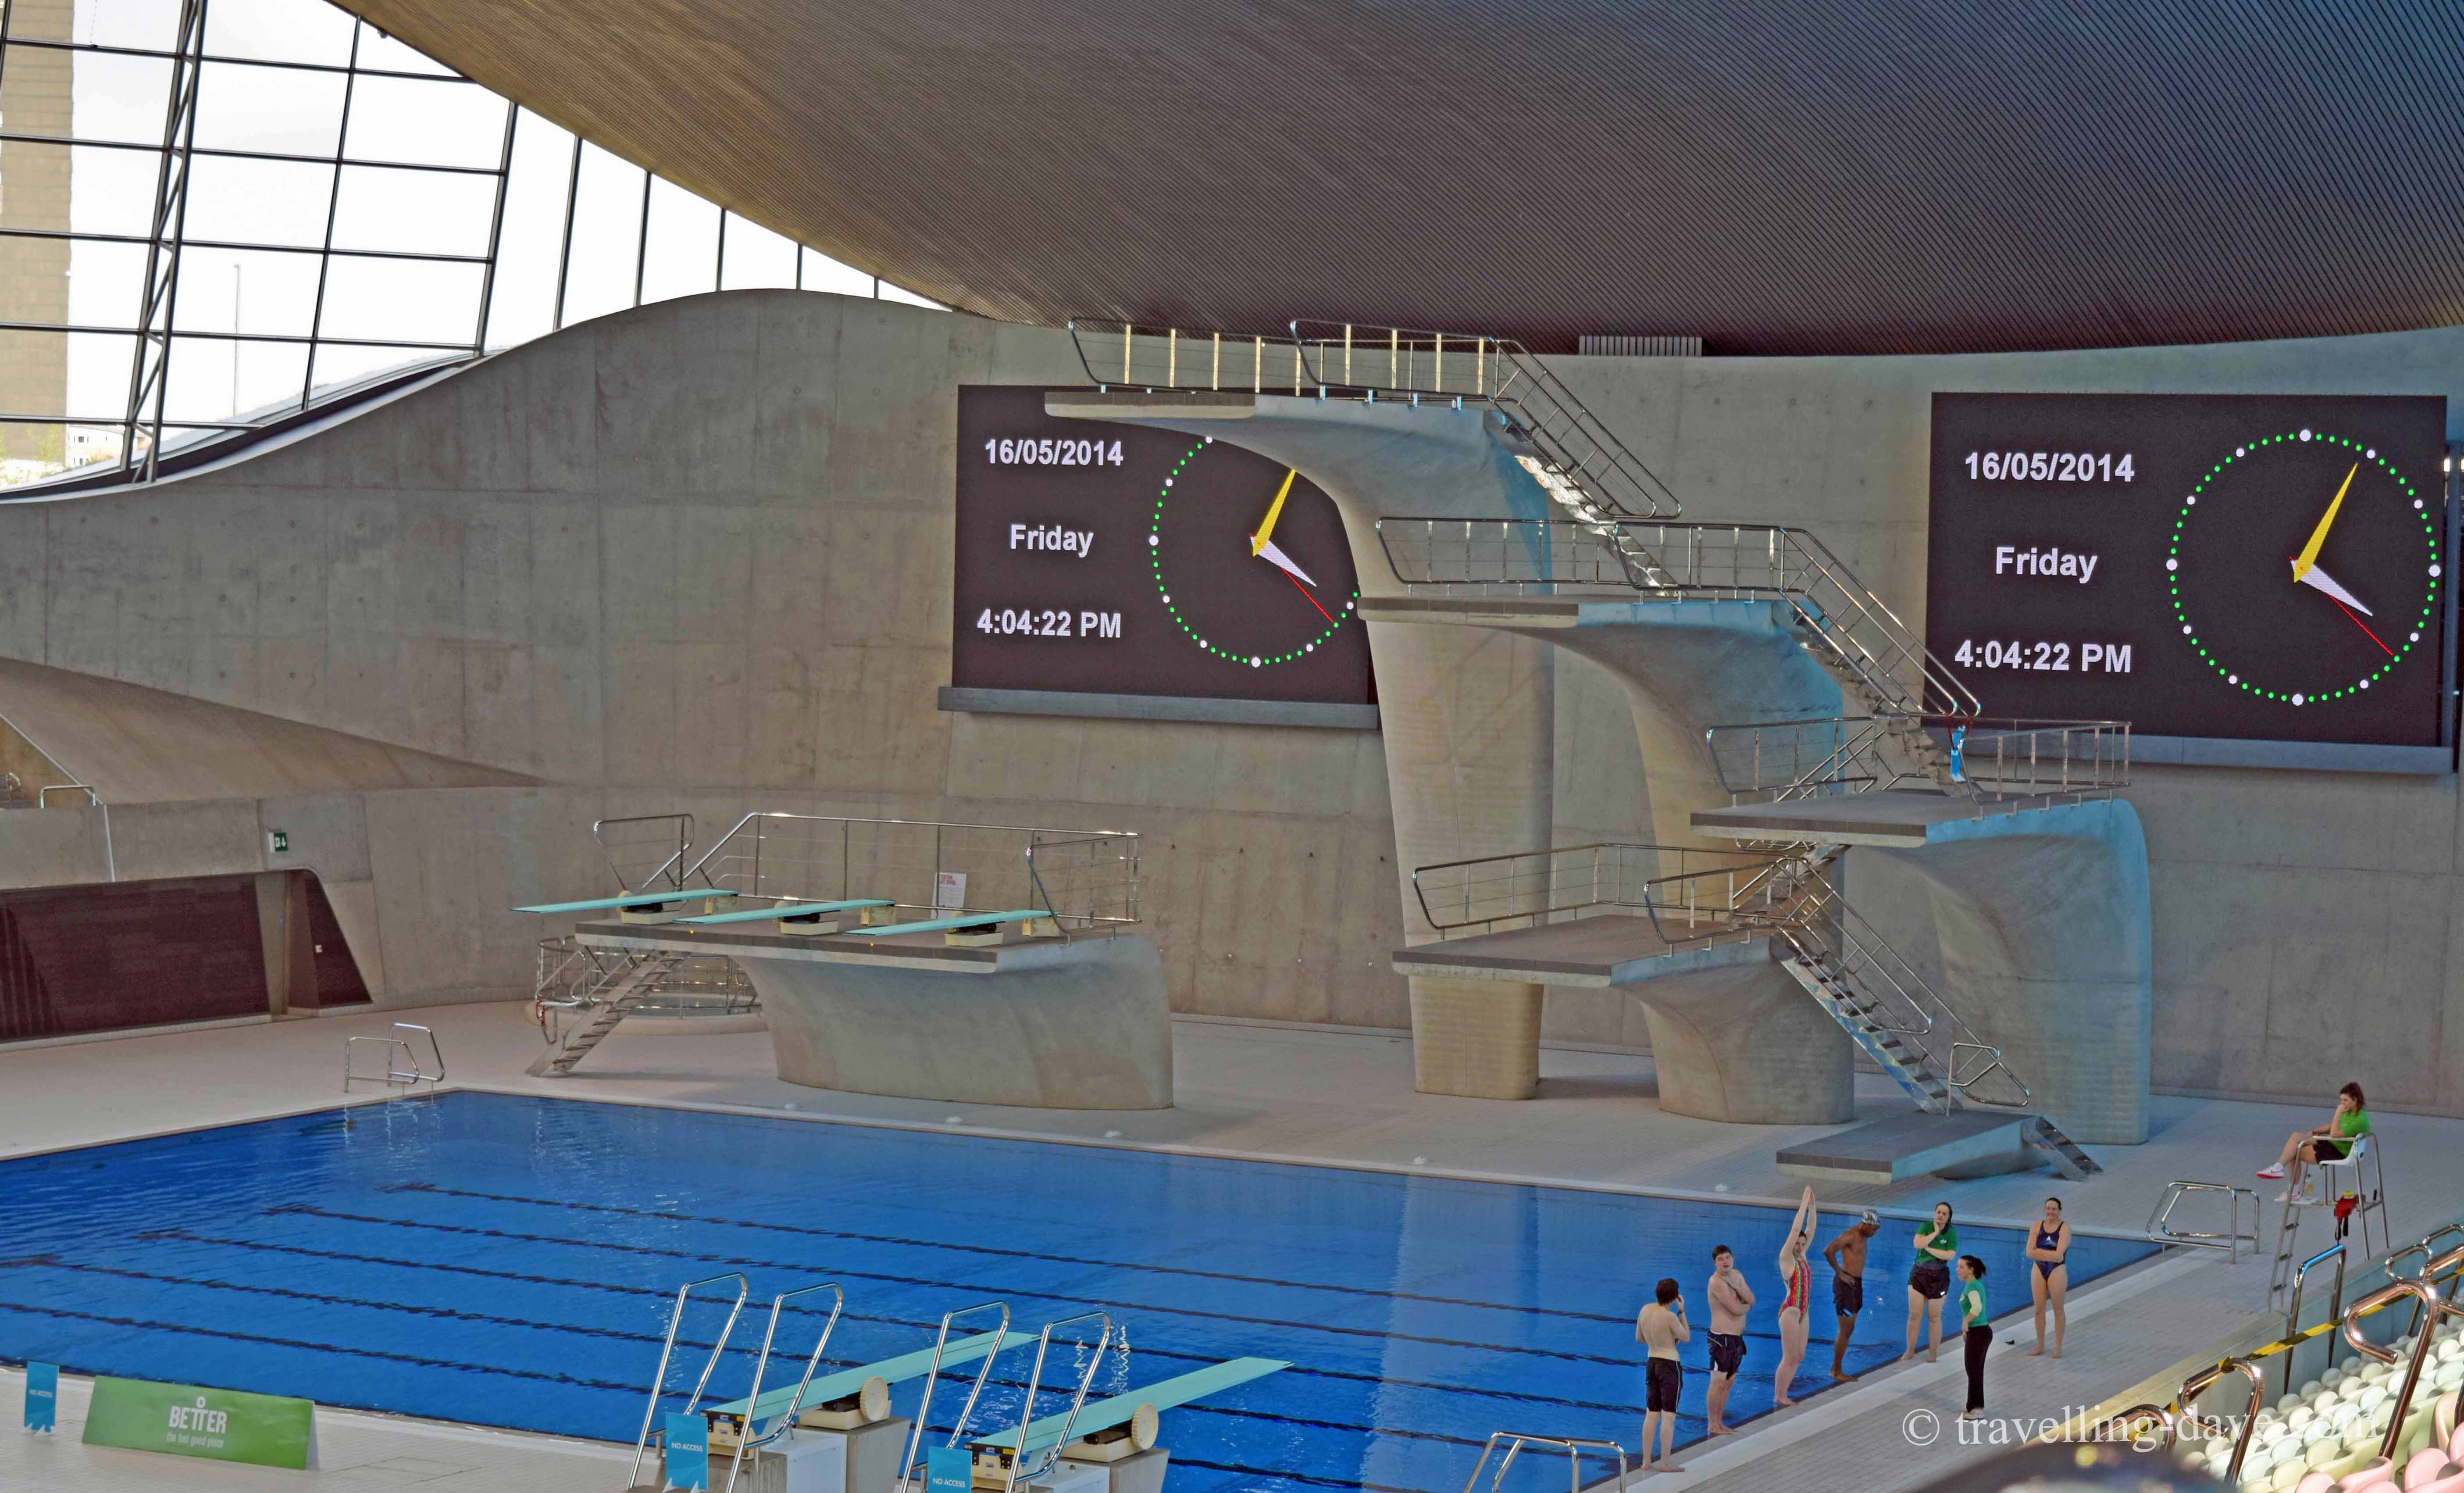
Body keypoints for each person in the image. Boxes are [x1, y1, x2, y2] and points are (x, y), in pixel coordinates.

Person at [2257, 1081, 2371, 1203]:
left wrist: (2337, 1113)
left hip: (2338, 1151)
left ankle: (2292, 1189)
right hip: (2330, 1143)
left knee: (2295, 1153)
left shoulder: (2359, 1120)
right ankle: (2278, 1168)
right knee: (2296, 1137)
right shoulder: (2350, 1112)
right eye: (2341, 1100)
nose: (2342, 1104)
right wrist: (2312, 1132)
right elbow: (2331, 1126)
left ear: (2355, 1100)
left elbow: (2334, 1134)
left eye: (2345, 1100)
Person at [1634, 1276, 1691, 1473]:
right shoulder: (1670, 1317)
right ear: (1675, 1297)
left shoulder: (1645, 1310)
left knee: (1651, 1415)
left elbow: (1639, 1338)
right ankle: (1665, 1463)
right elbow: (1686, 1336)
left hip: (1651, 1363)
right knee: (1668, 1418)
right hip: (1669, 1366)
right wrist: (1682, 1311)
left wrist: (1658, 1342)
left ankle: (1646, 1462)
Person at [1822, 1207, 1880, 1379]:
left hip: (1856, 1285)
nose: (1875, 1233)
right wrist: (1840, 1273)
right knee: (1845, 1329)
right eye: (1874, 1229)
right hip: (1845, 1286)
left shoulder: (1864, 1236)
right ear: (1866, 1224)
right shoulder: (1850, 1236)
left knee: (1850, 1328)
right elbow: (1828, 1251)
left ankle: (1835, 1368)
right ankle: (1836, 1371)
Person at [1773, 1183, 1817, 1407]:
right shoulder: (1786, 1258)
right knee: (1789, 1357)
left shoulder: (1803, 1257)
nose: (1799, 1246)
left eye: (1802, 1244)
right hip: (1790, 1311)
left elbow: (1810, 1228)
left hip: (1804, 1311)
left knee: (1799, 1356)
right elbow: (1796, 1230)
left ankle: (1784, 1393)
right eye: (1797, 1244)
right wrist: (1802, 1204)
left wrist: (1813, 1205)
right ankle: (1779, 1396)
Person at [1704, 1244, 1754, 1436]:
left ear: (1732, 1259)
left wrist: (1738, 1288)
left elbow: (1753, 1298)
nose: (1725, 1262)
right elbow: (1736, 1308)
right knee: (1717, 1383)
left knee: (1728, 1383)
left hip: (1736, 1339)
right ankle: (1712, 1424)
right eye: (1720, 1259)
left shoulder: (1738, 1275)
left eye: (1727, 1258)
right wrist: (1747, 1305)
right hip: (1721, 1339)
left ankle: (1719, 1422)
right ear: (1715, 1263)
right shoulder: (1716, 1282)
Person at [1903, 1201, 1957, 1363]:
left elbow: (1949, 1256)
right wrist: (1934, 1233)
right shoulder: (1926, 1227)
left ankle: (1933, 1354)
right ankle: (1910, 1350)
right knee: (1914, 1315)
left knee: (1934, 1316)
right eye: (1938, 1212)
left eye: (1944, 1214)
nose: (1940, 1215)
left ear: (1949, 1218)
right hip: (1919, 1274)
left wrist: (1928, 1248)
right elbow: (1917, 1244)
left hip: (1939, 1277)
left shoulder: (1951, 1233)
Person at [2025, 1196, 2071, 1358]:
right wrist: (2048, 1254)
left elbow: (2059, 1257)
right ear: (2045, 1210)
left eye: (2054, 1209)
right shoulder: (2037, 1226)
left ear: (2059, 1210)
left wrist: (2040, 1252)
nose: (2051, 1211)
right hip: (2039, 1268)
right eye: (2048, 1208)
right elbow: (2029, 1253)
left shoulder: (2064, 1228)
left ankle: (2058, 1348)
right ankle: (2040, 1346)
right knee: (2039, 1309)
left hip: (2057, 1270)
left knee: (2058, 1309)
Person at [1957, 1255, 1992, 1419]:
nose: (1958, 1270)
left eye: (1962, 1267)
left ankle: (1977, 1408)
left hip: (1979, 1332)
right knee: (1972, 1369)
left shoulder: (1972, 1287)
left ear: (1971, 1270)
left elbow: (1977, 1308)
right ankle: (1972, 1404)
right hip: (1978, 1332)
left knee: (1974, 1370)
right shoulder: (1975, 1285)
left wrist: (1966, 1322)